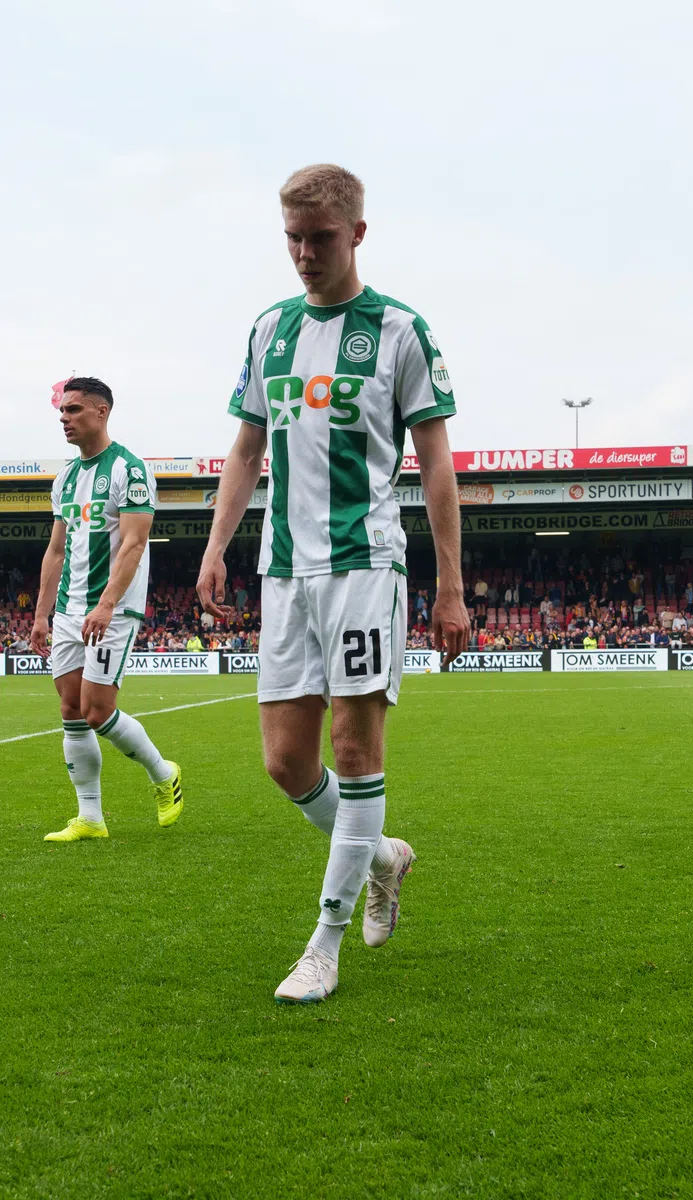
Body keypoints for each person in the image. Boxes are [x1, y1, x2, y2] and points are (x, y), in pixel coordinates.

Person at [197, 164, 470, 1004]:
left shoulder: (398, 331)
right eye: (292, 238)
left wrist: (451, 585)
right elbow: (245, 450)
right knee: (286, 764)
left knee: (353, 753)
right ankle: (383, 853)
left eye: (320, 238)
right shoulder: (268, 331)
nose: (305, 254)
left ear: (357, 232)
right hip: (283, 569)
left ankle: (324, 943)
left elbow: (436, 466)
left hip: (365, 563)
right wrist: (216, 545)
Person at [31, 377, 184, 842]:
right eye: (61, 411)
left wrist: (106, 603)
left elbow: (135, 543)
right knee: (70, 709)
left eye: (73, 410)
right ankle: (90, 818)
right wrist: (41, 615)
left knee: (97, 710)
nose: (64, 418)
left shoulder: (130, 470)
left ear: (101, 411)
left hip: (112, 609)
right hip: (68, 609)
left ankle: (164, 774)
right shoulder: (65, 478)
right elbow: (56, 550)